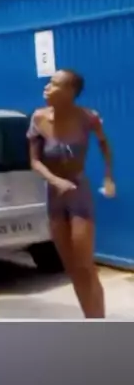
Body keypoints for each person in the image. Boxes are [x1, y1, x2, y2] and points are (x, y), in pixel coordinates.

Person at [27, 69, 115, 319]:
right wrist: (55, 181)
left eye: (54, 84)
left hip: (78, 192)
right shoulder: (38, 118)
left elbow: (104, 143)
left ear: (70, 92)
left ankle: (99, 323)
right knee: (72, 269)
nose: (47, 87)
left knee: (85, 266)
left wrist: (108, 176)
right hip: (55, 196)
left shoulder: (88, 117)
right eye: (48, 83)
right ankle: (90, 321)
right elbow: (34, 161)